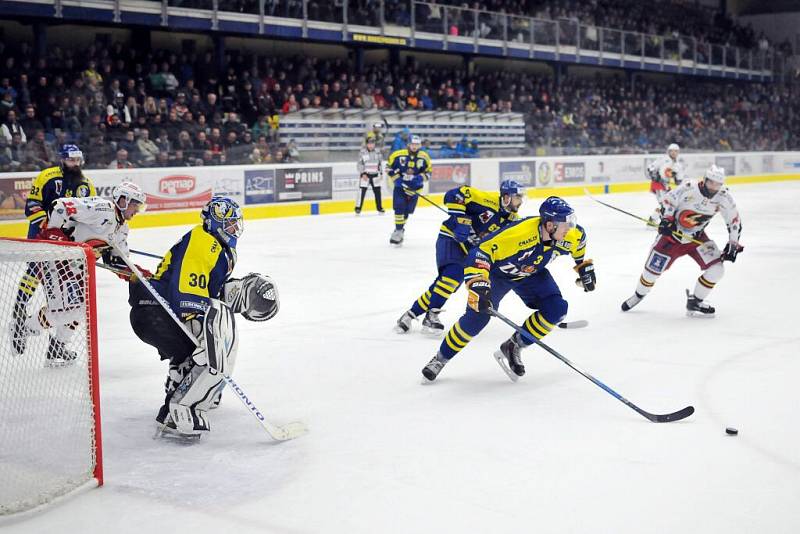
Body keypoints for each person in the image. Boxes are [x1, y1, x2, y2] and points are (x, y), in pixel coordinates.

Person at [127, 197, 279, 438]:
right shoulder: (205, 241)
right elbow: (189, 287)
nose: (234, 229)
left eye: (235, 224)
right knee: (208, 341)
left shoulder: (216, 246)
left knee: (193, 350)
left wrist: (236, 291)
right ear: (215, 223)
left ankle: (181, 392)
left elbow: (209, 289)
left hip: (154, 311)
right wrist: (195, 317)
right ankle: (179, 410)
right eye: (229, 224)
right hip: (157, 311)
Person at [421, 197, 596, 382]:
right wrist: (478, 283)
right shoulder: (519, 234)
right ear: (550, 225)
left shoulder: (571, 235)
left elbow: (579, 248)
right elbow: (480, 252)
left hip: (532, 273)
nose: (569, 228)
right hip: (498, 274)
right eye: (565, 224)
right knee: (476, 319)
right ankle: (440, 359)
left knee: (557, 309)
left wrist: (583, 267)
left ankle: (514, 346)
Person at [13, 182, 147, 366]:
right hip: (55, 258)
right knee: (66, 311)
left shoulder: (121, 229)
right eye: (135, 204)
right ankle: (24, 327)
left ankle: (57, 346)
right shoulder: (103, 209)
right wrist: (55, 235)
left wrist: (139, 274)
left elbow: (116, 261)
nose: (137, 210)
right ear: (123, 200)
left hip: (74, 267)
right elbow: (59, 206)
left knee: (82, 309)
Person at [395, 180, 524, 335]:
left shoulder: (512, 221)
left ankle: (410, 315)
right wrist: (461, 221)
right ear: (506, 197)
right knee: (451, 277)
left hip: (469, 249)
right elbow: (453, 195)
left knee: (444, 284)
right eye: (518, 197)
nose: (521, 201)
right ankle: (432, 315)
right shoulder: (485, 199)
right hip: (451, 238)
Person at [621, 164, 743, 317]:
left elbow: (734, 220)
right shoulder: (688, 187)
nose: (713, 187)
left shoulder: (724, 196)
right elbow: (668, 201)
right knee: (651, 272)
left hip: (697, 238)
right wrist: (666, 220)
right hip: (672, 237)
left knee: (717, 269)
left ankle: (695, 302)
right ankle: (638, 295)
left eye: (718, 184)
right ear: (705, 179)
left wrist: (733, 244)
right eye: (711, 182)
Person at [11, 144, 96, 358]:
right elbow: (31, 205)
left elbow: (90, 215)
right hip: (43, 236)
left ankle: (58, 341)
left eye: (77, 160)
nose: (74, 164)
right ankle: (20, 309)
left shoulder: (86, 184)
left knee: (71, 290)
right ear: (62, 160)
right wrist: (48, 228)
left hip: (69, 244)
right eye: (71, 160)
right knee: (35, 271)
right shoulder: (47, 177)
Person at [387, 135, 431, 245]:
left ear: (420, 145)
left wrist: (419, 179)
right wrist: (397, 179)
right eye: (413, 144)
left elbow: (429, 172)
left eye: (417, 144)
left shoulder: (424, 157)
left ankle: (400, 229)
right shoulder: (398, 155)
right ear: (408, 144)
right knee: (399, 207)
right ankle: (398, 231)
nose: (414, 147)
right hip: (400, 188)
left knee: (407, 211)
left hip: (415, 189)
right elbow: (388, 167)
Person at [646, 143, 686, 225]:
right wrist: (655, 176)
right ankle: (654, 220)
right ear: (668, 151)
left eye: (676, 151)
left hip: (667, 187)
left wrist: (676, 178)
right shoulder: (662, 159)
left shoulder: (678, 165)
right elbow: (650, 168)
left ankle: (654, 219)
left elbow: (678, 180)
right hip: (659, 185)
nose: (673, 153)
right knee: (665, 204)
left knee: (666, 205)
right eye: (671, 151)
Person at [355, 134, 384, 214]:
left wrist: (381, 173)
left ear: (374, 144)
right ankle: (358, 208)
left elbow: (380, 164)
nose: (371, 145)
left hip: (375, 175)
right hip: (365, 175)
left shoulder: (378, 152)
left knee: (378, 192)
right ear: (366, 144)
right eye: (369, 143)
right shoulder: (362, 152)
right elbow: (359, 164)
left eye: (372, 143)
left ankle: (379, 208)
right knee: (362, 192)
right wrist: (363, 173)